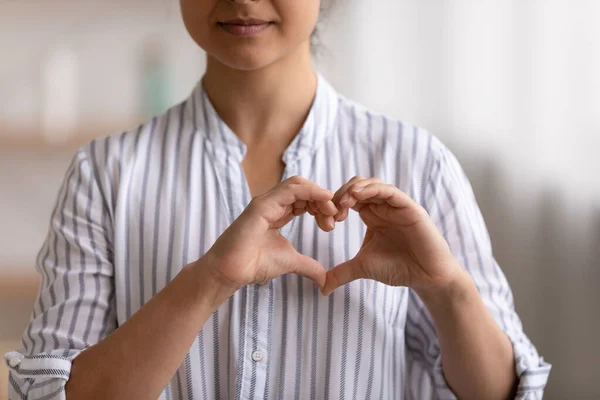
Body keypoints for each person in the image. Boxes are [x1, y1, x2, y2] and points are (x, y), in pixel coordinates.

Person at [6, 0, 551, 399]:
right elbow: (50, 395)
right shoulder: (105, 175)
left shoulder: (420, 163)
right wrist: (210, 279)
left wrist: (447, 289)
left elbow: (504, 393)